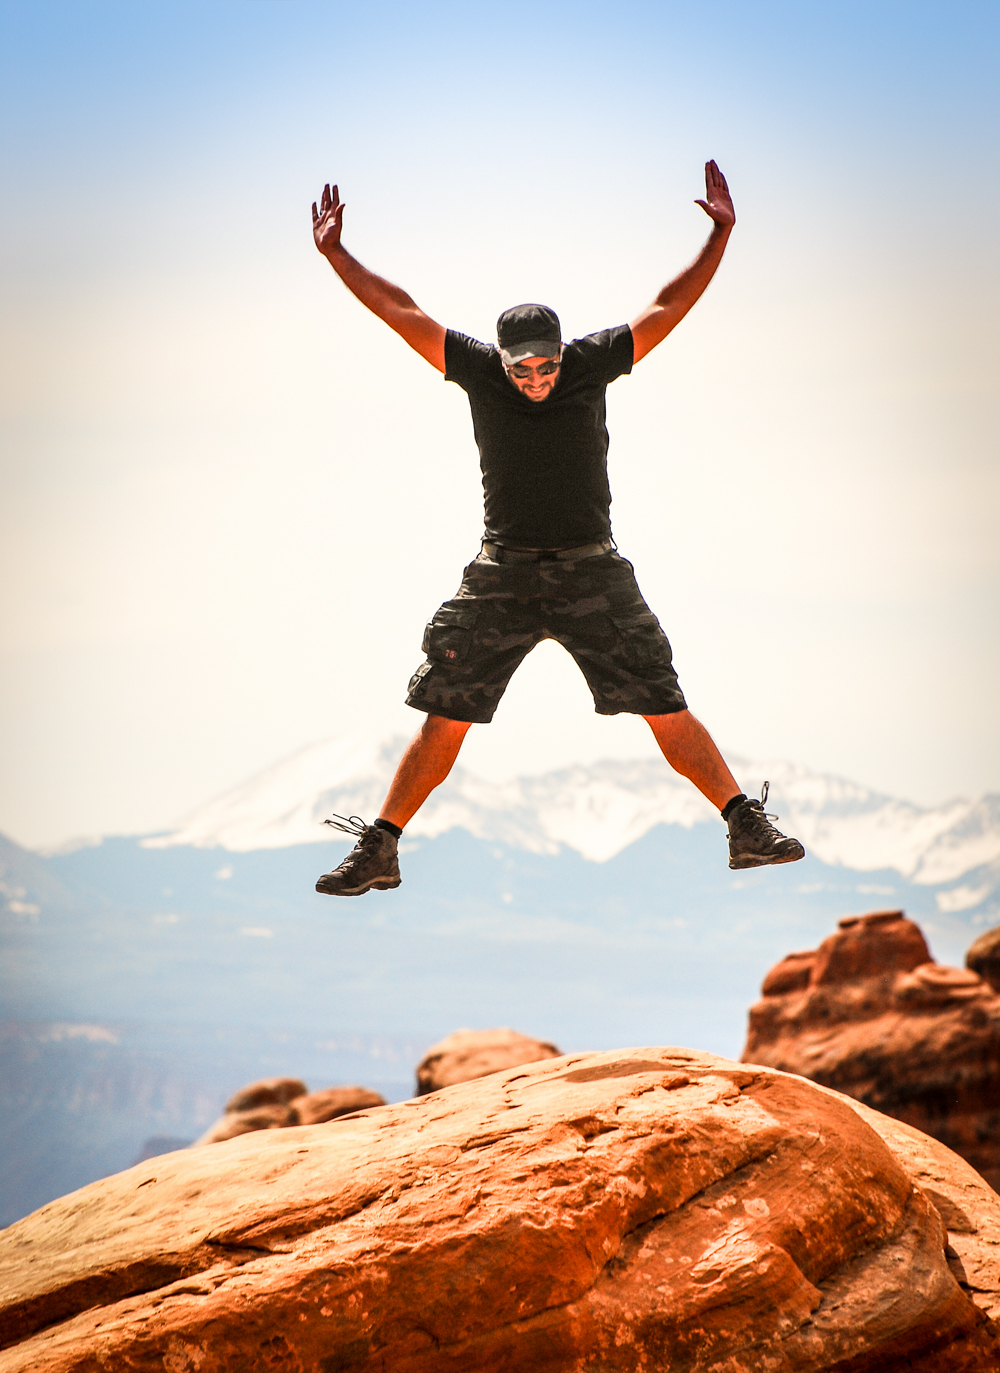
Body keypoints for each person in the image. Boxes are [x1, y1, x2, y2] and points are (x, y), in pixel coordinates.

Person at [310, 162, 804, 897]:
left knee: (662, 701)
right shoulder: (476, 368)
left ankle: (743, 825)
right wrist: (338, 255)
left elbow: (668, 306)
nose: (535, 378)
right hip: (502, 571)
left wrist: (718, 237)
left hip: (590, 568)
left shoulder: (592, 363)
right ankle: (380, 848)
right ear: (502, 360)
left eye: (545, 365)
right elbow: (400, 310)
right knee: (446, 714)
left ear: (561, 352)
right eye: (522, 369)